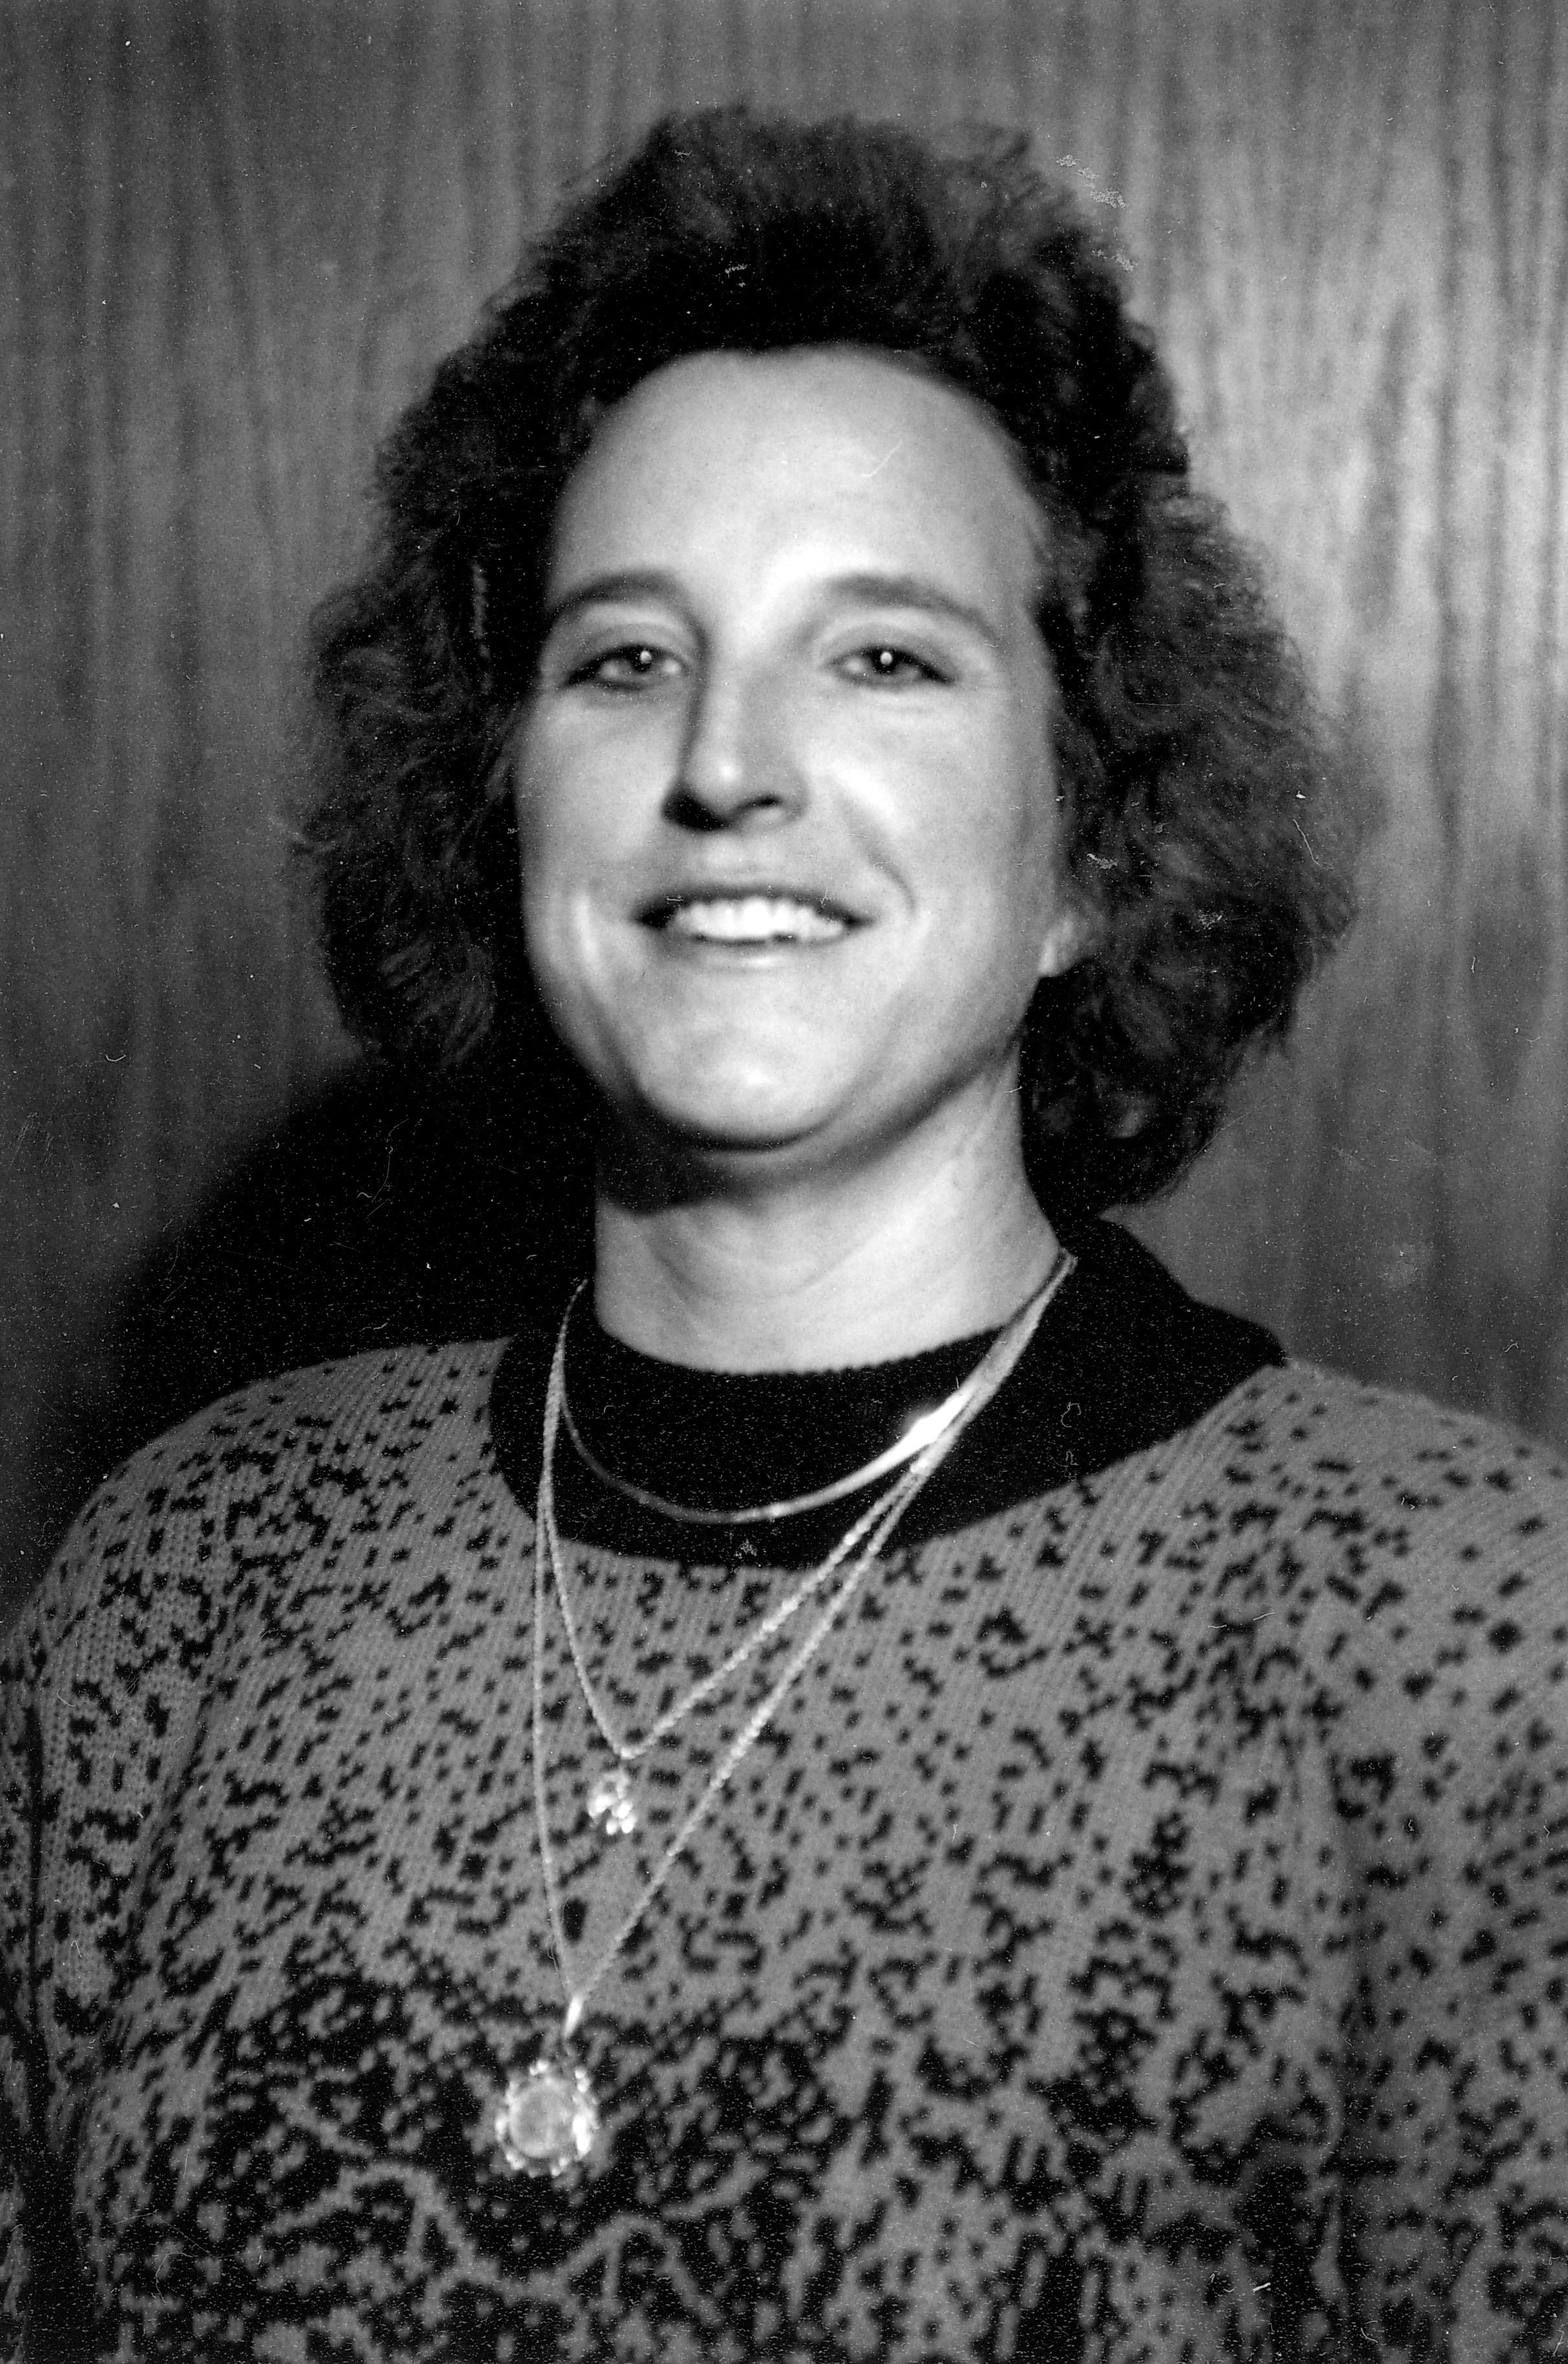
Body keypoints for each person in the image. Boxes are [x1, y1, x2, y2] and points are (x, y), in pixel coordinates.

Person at [3, 104, 1564, 2363]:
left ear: (1093, 845)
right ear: (499, 791)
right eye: (625, 657)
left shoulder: (1457, 1645)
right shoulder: (192, 1579)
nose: (727, 763)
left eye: (886, 659)